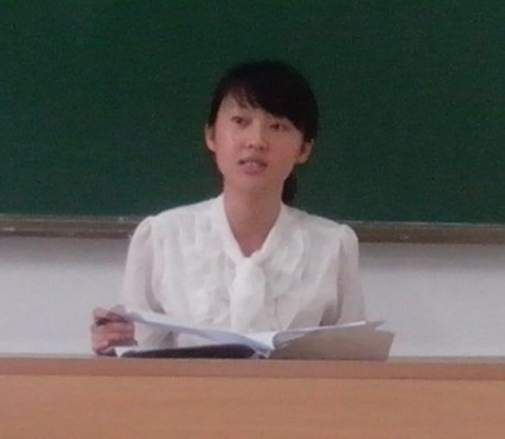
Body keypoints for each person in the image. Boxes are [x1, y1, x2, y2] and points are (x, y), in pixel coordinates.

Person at [91, 60, 365, 354]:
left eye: (277, 126)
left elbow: (353, 362)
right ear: (211, 136)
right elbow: (138, 356)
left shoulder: (333, 245)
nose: (256, 141)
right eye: (240, 121)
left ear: (304, 149)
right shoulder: (162, 237)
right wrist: (114, 341)